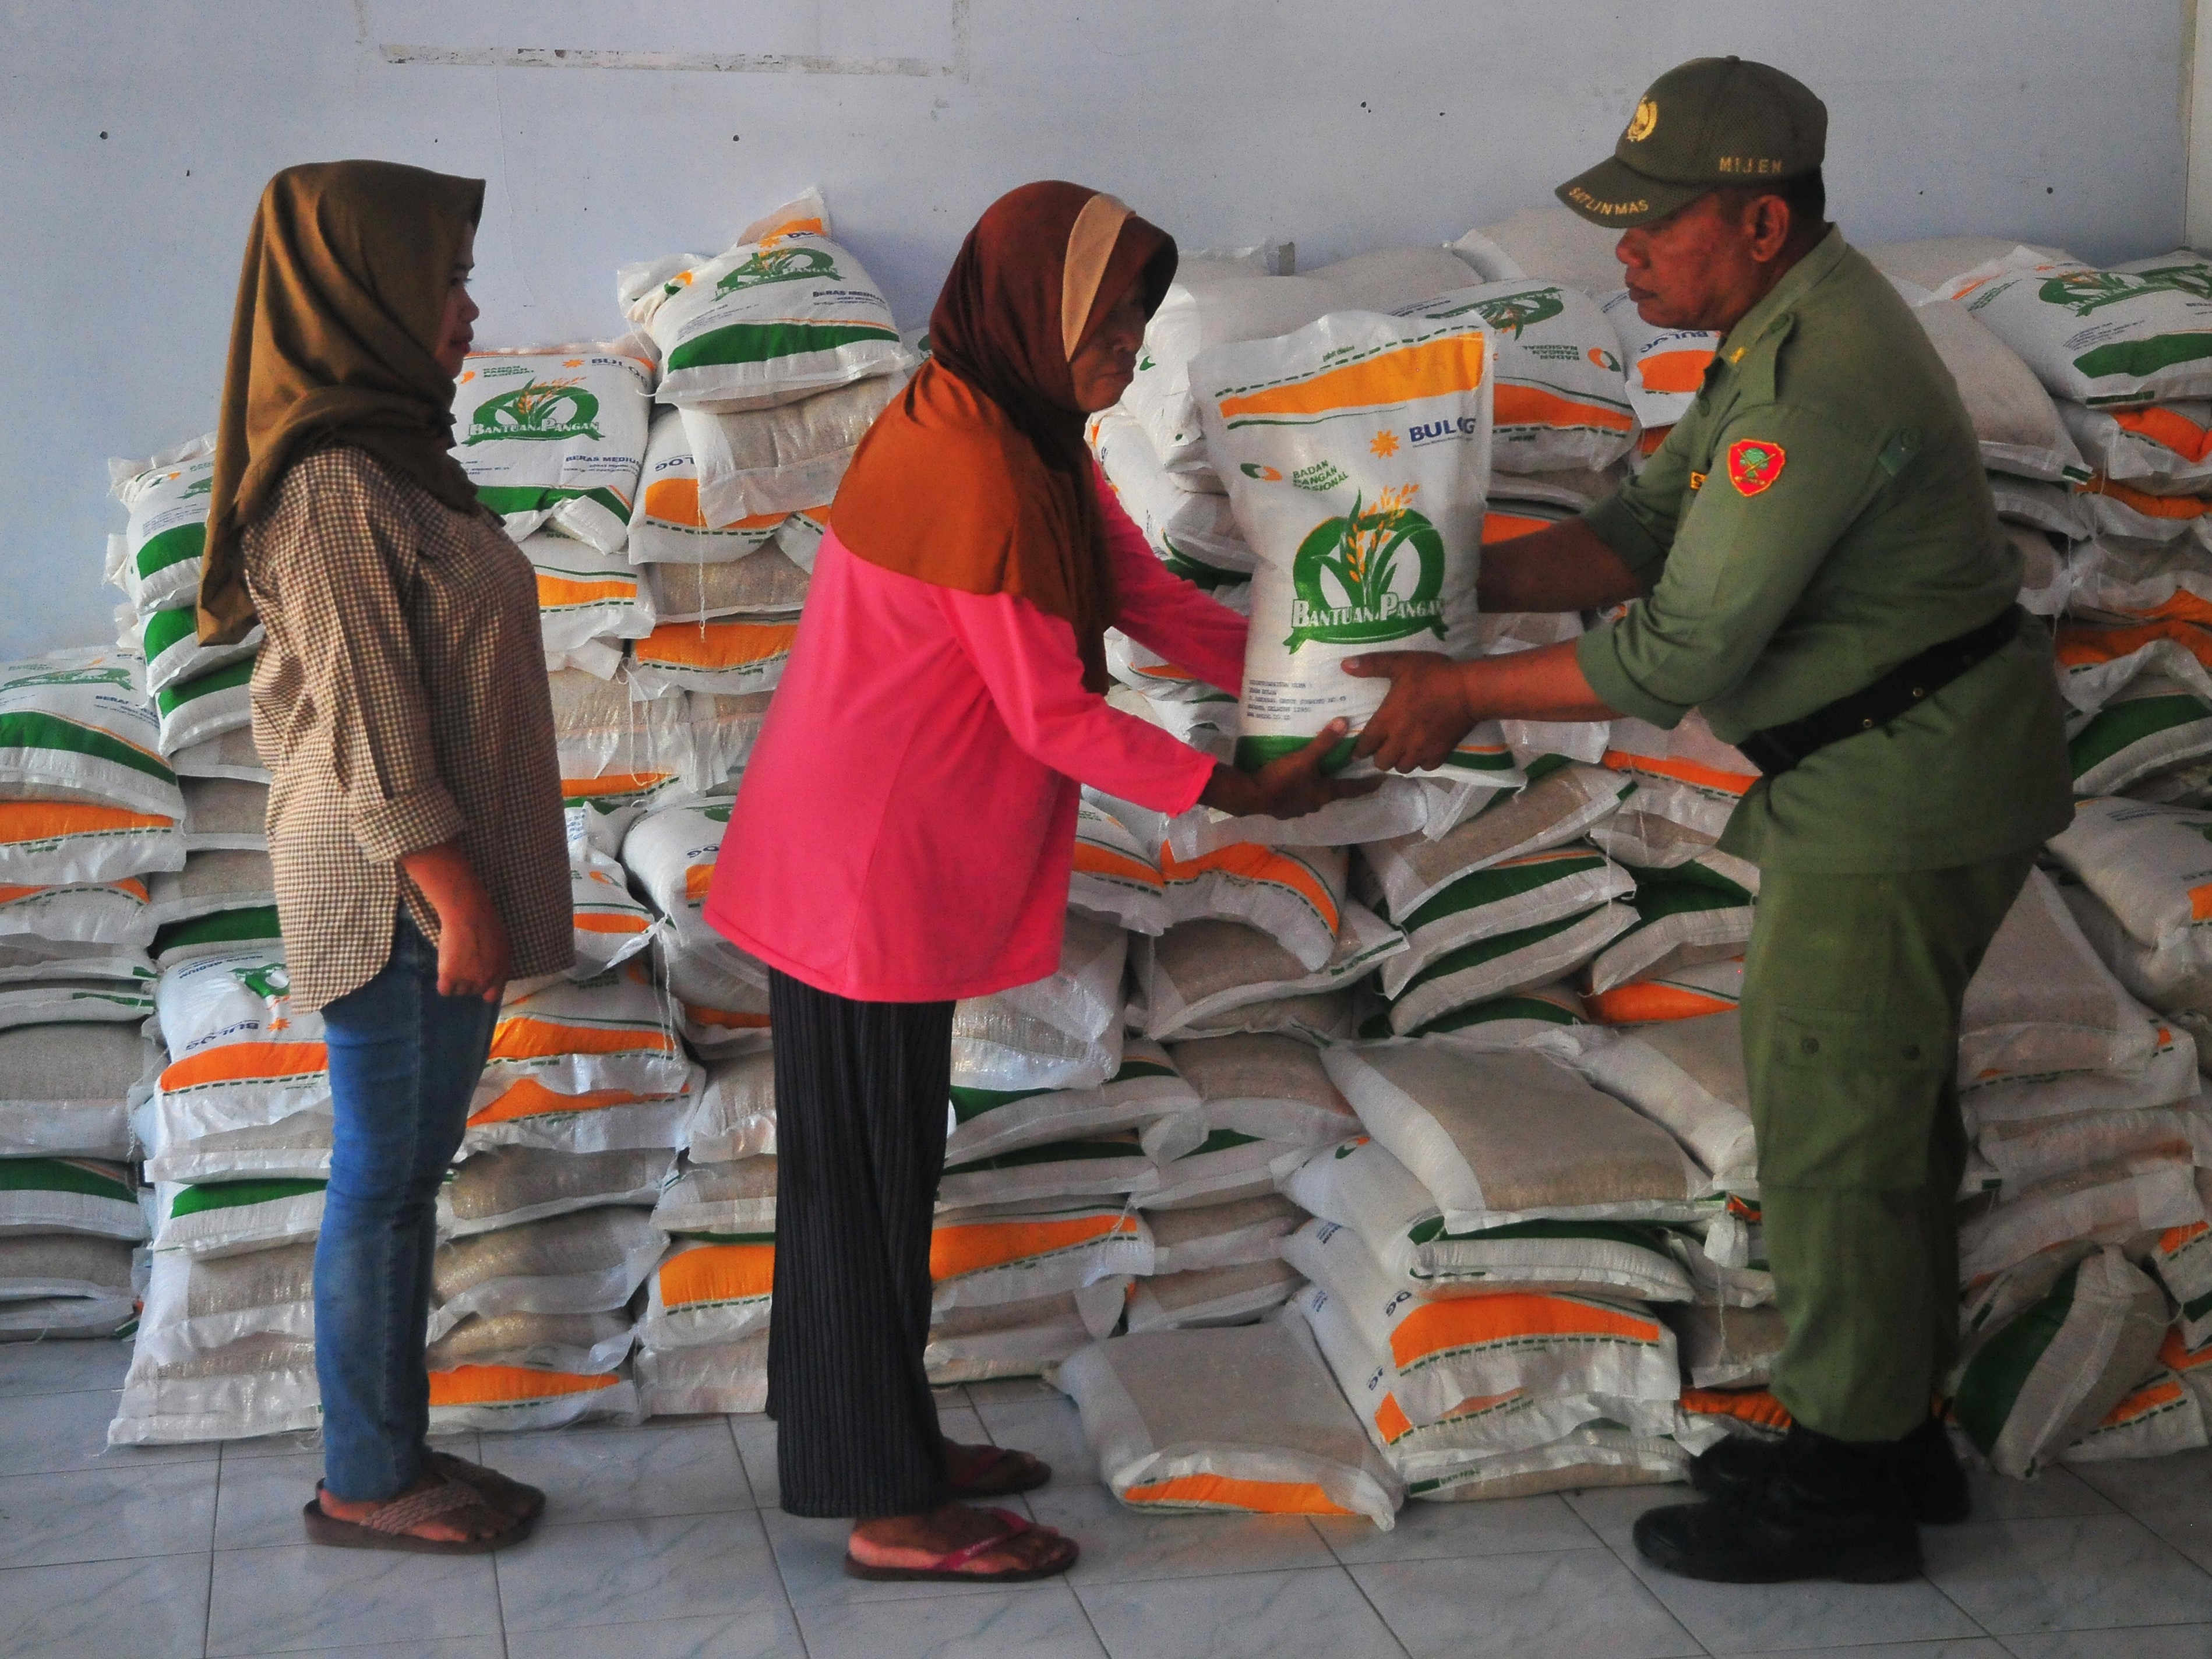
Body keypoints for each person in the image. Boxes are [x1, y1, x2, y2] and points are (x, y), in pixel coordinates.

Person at [1345, 58, 2072, 1583]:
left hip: (1900, 789)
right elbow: (1639, 533)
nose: (1625, 254)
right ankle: (1886, 1435)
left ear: (1756, 223)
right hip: (1894, 769)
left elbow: (1672, 650)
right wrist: (1443, 572)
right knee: (1879, 1114)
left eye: (1653, 226)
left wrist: (1461, 691)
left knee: (1834, 1130)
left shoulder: (1816, 381)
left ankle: (1846, 1488)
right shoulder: (1779, 330)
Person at [703, 181, 1366, 1583]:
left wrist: (1312, 676)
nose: (1128, 349)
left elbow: (1145, 595)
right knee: (860, 1183)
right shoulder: (972, 466)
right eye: (1106, 324)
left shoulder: (1023, 435)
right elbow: (1051, 714)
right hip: (860, 874)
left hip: (880, 861)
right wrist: (1238, 785)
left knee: (877, 1171)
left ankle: (873, 1439)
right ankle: (888, 1502)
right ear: (1028, 313)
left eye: (1135, 322)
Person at [196, 161, 574, 1553]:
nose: (468, 311)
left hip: (425, 884)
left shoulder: (402, 461)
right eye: (445, 281)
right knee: (382, 1181)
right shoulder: (330, 484)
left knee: (404, 1179)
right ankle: (366, 1475)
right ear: (361, 292)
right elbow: (371, 726)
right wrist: (460, 897)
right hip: (395, 892)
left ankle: (393, 1452)